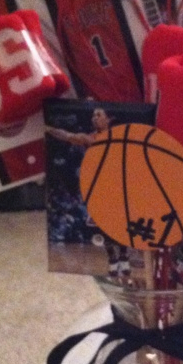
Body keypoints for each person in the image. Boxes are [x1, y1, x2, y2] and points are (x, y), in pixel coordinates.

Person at [45, 107, 131, 278]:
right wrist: (48, 128)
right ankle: (113, 259)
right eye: (93, 115)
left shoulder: (119, 137)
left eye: (99, 114)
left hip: (117, 186)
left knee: (121, 225)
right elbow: (67, 135)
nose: (94, 117)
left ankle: (124, 256)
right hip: (98, 188)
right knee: (103, 226)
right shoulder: (89, 138)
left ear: (108, 119)